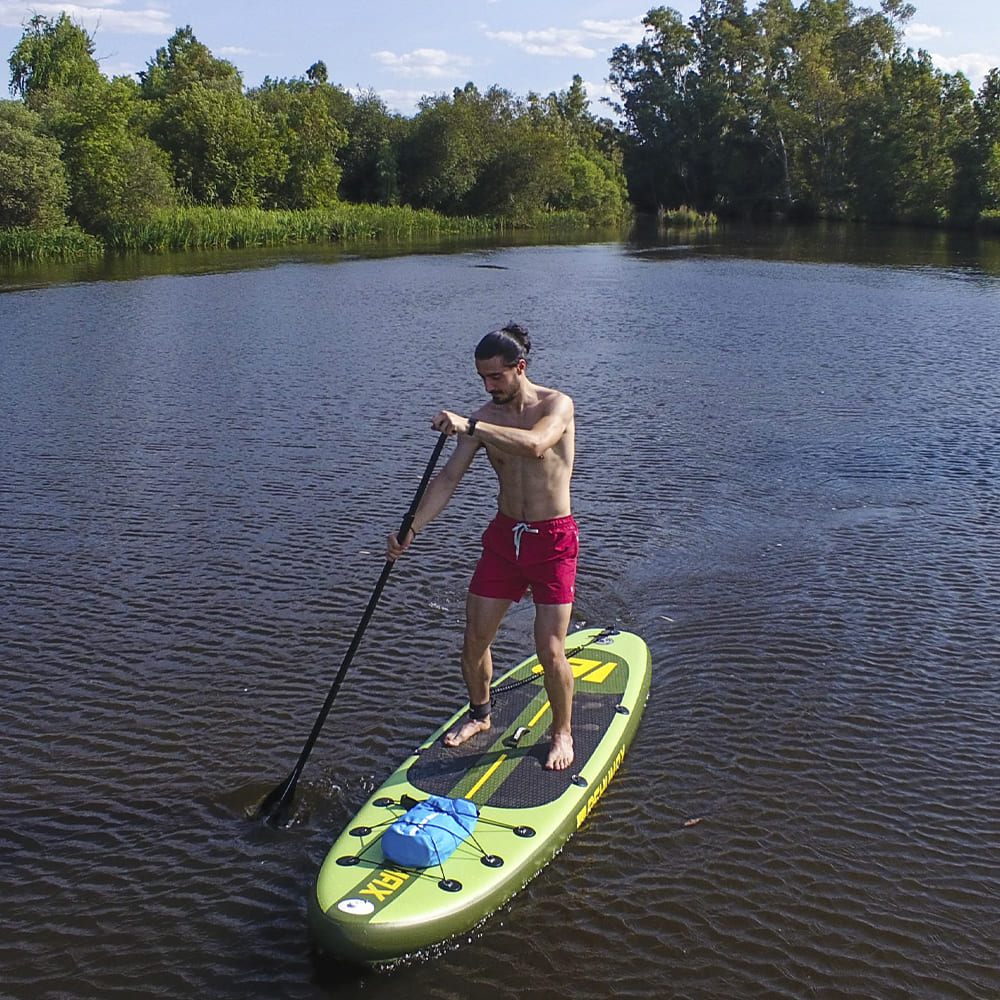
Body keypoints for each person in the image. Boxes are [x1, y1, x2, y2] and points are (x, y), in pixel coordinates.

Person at [386, 323, 578, 770]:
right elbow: (448, 478)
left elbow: (534, 445)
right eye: (482, 379)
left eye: (496, 377)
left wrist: (470, 424)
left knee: (550, 650)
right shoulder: (484, 416)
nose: (489, 387)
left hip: (552, 540)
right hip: (504, 539)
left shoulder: (557, 405)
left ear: (520, 368)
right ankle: (480, 715)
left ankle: (562, 732)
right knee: (474, 640)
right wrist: (411, 527)